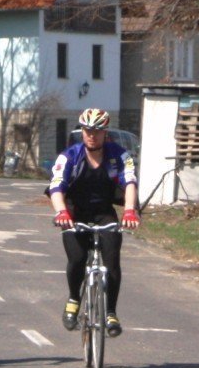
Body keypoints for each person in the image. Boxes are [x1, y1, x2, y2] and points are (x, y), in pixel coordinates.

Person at [48, 108, 141, 336]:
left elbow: (129, 183)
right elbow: (56, 187)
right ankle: (73, 299)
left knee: (112, 261)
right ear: (82, 131)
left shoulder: (119, 155)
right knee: (78, 258)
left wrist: (130, 211)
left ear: (105, 133)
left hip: (103, 213)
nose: (92, 135)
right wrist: (61, 212)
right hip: (75, 213)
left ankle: (110, 312)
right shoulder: (70, 156)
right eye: (88, 130)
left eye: (97, 131)